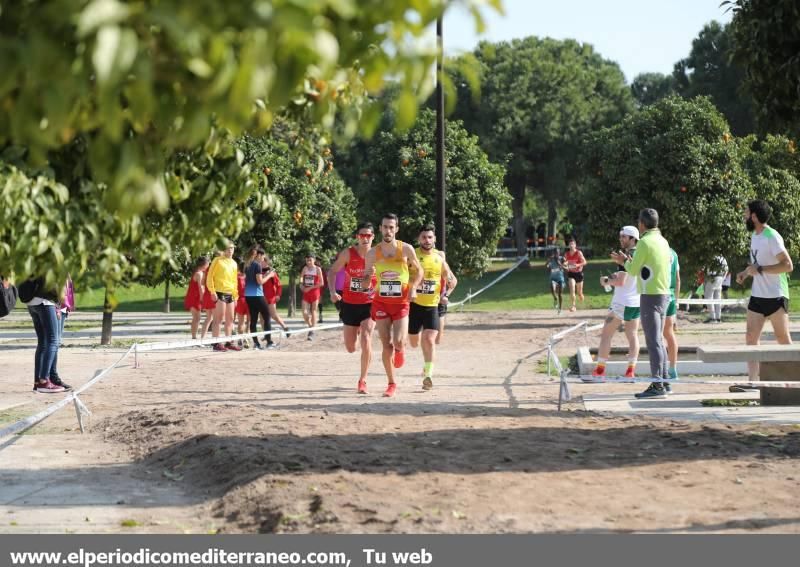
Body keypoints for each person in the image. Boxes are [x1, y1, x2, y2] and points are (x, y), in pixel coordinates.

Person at [612, 209, 671, 399]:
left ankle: (657, 385)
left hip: (649, 295)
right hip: (663, 293)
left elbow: (634, 270)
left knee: (653, 341)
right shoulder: (662, 240)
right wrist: (630, 260)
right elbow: (647, 264)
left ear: (642, 224)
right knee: (659, 340)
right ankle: (665, 380)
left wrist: (623, 261)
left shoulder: (644, 242)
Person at [363, 213, 423, 397]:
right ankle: (391, 383)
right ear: (380, 229)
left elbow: (419, 270)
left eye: (391, 227)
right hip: (381, 301)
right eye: (385, 227)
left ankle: (401, 348)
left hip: (401, 302)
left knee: (397, 341)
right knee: (386, 344)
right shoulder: (373, 253)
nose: (388, 230)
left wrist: (413, 287)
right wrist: (368, 276)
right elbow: (365, 283)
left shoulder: (406, 249)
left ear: (396, 229)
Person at [736, 199, 794, 383]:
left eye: (746, 212)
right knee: (751, 338)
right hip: (757, 296)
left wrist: (760, 270)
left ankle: (792, 382)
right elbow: (756, 264)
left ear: (754, 216)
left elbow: (787, 265)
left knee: (783, 339)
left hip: (776, 296)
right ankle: (752, 382)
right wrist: (746, 273)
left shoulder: (772, 236)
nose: (744, 215)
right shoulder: (755, 235)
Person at [327, 222, 377, 393]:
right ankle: (355, 331)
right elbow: (332, 272)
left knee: (366, 337)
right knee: (350, 348)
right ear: (357, 237)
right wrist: (333, 291)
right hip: (349, 304)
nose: (365, 238)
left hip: (370, 303)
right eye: (362, 235)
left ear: (373, 237)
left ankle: (362, 380)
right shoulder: (348, 254)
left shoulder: (378, 255)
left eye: (368, 235)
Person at [407, 225, 455, 391]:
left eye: (430, 237)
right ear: (419, 239)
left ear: (434, 239)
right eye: (424, 237)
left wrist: (446, 295)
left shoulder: (439, 258)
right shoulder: (411, 255)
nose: (427, 240)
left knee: (429, 339)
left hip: (432, 306)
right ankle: (421, 360)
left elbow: (452, 280)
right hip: (414, 305)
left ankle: (428, 375)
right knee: (414, 342)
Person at [591, 226, 640, 380]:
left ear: (633, 239)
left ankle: (599, 371)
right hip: (636, 302)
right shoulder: (640, 254)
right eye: (620, 236)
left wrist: (606, 281)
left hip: (621, 303)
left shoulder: (625, 257)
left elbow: (620, 281)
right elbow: (628, 277)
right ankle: (630, 371)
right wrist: (612, 276)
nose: (620, 239)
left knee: (606, 335)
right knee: (632, 336)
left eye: (624, 237)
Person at [22, 277, 69, 392]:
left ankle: (38, 382)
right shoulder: (52, 260)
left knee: (43, 343)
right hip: (46, 301)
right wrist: (59, 302)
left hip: (32, 301)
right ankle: (44, 381)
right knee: (53, 341)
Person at [207, 241, 241, 352]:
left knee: (230, 319)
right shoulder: (217, 260)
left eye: (232, 248)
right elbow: (210, 276)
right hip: (219, 292)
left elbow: (234, 280)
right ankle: (216, 343)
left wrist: (236, 295)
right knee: (218, 319)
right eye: (228, 248)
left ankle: (228, 342)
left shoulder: (234, 263)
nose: (230, 250)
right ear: (224, 249)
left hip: (230, 293)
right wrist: (212, 291)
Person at [242, 245, 276, 350]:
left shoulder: (247, 264)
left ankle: (256, 344)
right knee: (267, 317)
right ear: (258, 255)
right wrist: (269, 275)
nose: (263, 258)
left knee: (253, 320)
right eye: (263, 256)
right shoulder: (257, 265)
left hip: (248, 295)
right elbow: (260, 281)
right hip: (257, 295)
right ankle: (269, 342)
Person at [261, 255, 289, 338]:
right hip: (261, 297)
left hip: (270, 297)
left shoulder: (272, 272)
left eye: (262, 261)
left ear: (266, 262)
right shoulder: (258, 271)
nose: (260, 262)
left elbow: (279, 285)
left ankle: (285, 327)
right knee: (262, 318)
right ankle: (266, 335)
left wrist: (278, 295)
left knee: (274, 315)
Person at [664, 248, 681, 382]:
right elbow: (677, 279)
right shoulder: (674, 253)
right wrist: (676, 301)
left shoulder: (656, 248)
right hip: (671, 297)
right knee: (669, 334)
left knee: (657, 335)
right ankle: (673, 368)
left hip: (659, 295)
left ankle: (662, 370)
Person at [183, 256, 209, 340]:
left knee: (197, 318)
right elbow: (201, 288)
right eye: (208, 264)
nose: (208, 266)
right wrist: (203, 300)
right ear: (204, 264)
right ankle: (194, 337)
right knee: (197, 318)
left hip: (194, 297)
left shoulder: (198, 272)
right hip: (194, 298)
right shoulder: (199, 274)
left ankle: (194, 337)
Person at [299, 254, 324, 340]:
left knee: (313, 311)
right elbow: (301, 278)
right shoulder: (305, 268)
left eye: (310, 260)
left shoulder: (318, 269)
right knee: (304, 312)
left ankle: (312, 331)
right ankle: (311, 327)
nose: (308, 262)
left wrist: (310, 287)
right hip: (306, 292)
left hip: (314, 292)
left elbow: (321, 283)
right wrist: (301, 284)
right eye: (307, 260)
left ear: (314, 260)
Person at [563, 238, 587, 312]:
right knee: (572, 289)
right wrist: (565, 265)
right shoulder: (566, 254)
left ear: (575, 245)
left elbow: (585, 262)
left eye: (572, 244)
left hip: (579, 274)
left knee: (579, 293)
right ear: (568, 245)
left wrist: (577, 265)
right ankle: (573, 306)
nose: (571, 246)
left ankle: (581, 295)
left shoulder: (579, 253)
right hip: (571, 274)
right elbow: (565, 263)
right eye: (570, 244)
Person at [435, 270, 458, 346]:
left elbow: (454, 281)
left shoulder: (443, 264)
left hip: (439, 301)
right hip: (421, 301)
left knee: (437, 339)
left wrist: (446, 295)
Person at [703, 255, 728, 323]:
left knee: (709, 297)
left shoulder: (711, 256)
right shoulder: (723, 258)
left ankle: (712, 318)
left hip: (712, 277)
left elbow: (705, 269)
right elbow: (726, 269)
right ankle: (718, 317)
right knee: (718, 298)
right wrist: (723, 278)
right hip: (720, 278)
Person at [234, 260, 251, 348]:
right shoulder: (250, 277)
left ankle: (240, 339)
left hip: (240, 300)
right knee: (248, 322)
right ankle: (246, 339)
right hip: (249, 299)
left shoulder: (236, 277)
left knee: (241, 322)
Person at [546, 248, 565, 313]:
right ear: (553, 253)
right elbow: (547, 267)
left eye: (558, 253)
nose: (556, 254)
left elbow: (566, 267)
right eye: (555, 253)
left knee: (560, 294)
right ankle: (555, 298)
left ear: (559, 253)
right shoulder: (550, 259)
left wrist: (561, 265)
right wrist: (548, 265)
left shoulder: (562, 258)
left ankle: (560, 309)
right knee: (552, 287)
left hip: (560, 279)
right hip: (553, 278)